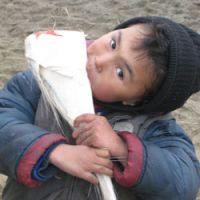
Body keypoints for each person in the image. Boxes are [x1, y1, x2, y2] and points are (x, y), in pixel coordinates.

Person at [0, 16, 200, 200]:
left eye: (121, 72)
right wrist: (55, 152)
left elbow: (184, 184)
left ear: (137, 102)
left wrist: (120, 148)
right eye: (113, 44)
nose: (99, 60)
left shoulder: (156, 127)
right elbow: (4, 121)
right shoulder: (39, 81)